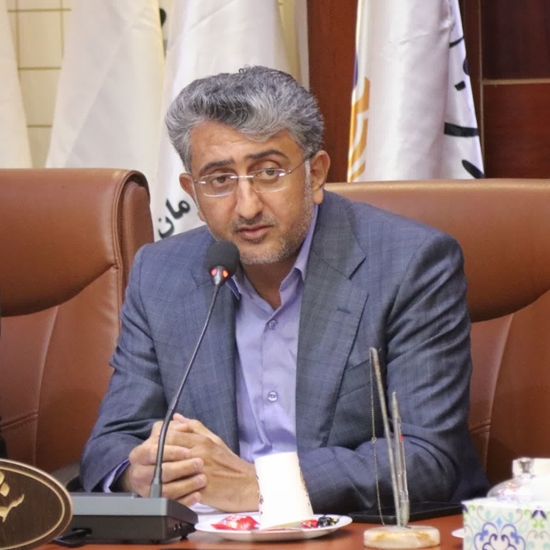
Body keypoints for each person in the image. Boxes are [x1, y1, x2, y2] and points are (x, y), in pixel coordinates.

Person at [80, 66, 488, 513]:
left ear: (315, 175)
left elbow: (426, 456)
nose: (247, 206)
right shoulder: (161, 273)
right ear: (192, 192)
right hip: (212, 536)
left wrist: (263, 486)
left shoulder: (410, 263)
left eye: (269, 172)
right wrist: (135, 473)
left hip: (358, 531)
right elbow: (111, 443)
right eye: (219, 180)